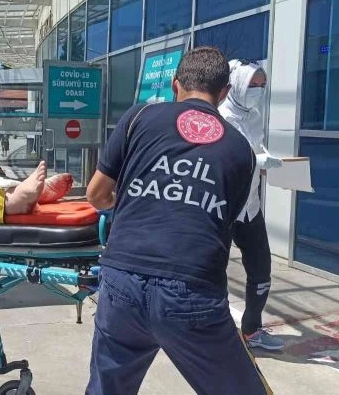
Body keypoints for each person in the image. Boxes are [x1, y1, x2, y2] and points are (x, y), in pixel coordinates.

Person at [84, 47, 272, 395]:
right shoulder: (241, 150)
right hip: (191, 289)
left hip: (122, 279)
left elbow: (96, 194)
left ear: (175, 85)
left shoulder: (139, 118)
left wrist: (132, 203)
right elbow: (223, 222)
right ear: (224, 93)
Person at [219, 59, 284, 351]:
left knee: (261, 269)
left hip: (251, 206)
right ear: (236, 85)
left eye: (262, 85)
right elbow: (223, 159)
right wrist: (257, 161)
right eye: (251, 85)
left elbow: (255, 150)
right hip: (224, 206)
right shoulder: (220, 116)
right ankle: (215, 330)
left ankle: (252, 329)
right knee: (213, 270)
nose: (257, 91)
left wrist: (266, 164)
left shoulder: (255, 116)